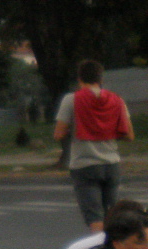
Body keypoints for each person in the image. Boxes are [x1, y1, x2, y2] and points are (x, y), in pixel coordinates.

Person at [55, 61, 136, 231]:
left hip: (85, 165)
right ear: (100, 78)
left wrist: (77, 128)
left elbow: (59, 134)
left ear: (79, 79)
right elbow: (129, 135)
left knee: (95, 218)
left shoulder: (71, 100)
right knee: (112, 216)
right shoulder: (117, 100)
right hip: (111, 164)